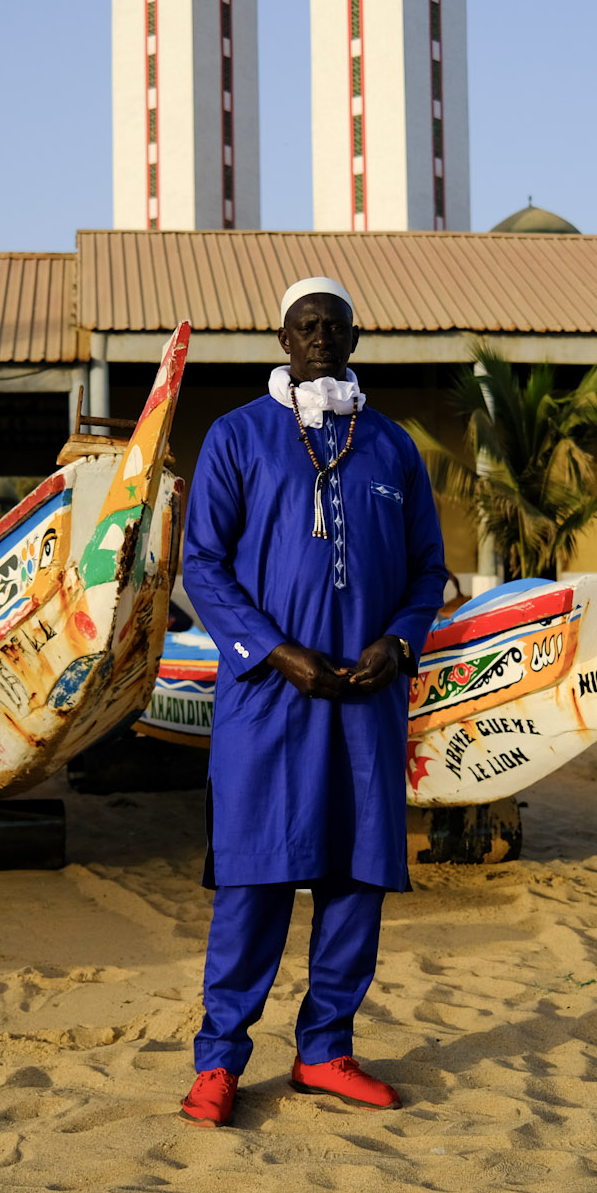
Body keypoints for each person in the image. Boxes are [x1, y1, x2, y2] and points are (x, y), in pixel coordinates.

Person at [177, 277, 448, 1128]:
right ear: (283, 338)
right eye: (306, 325)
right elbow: (204, 566)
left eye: (335, 326)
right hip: (269, 698)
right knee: (255, 878)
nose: (321, 337)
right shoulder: (238, 436)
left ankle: (325, 1050)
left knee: (356, 875)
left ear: (356, 340)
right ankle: (220, 1062)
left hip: (366, 701)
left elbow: (427, 569)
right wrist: (276, 651)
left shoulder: (393, 448)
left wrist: (399, 643)